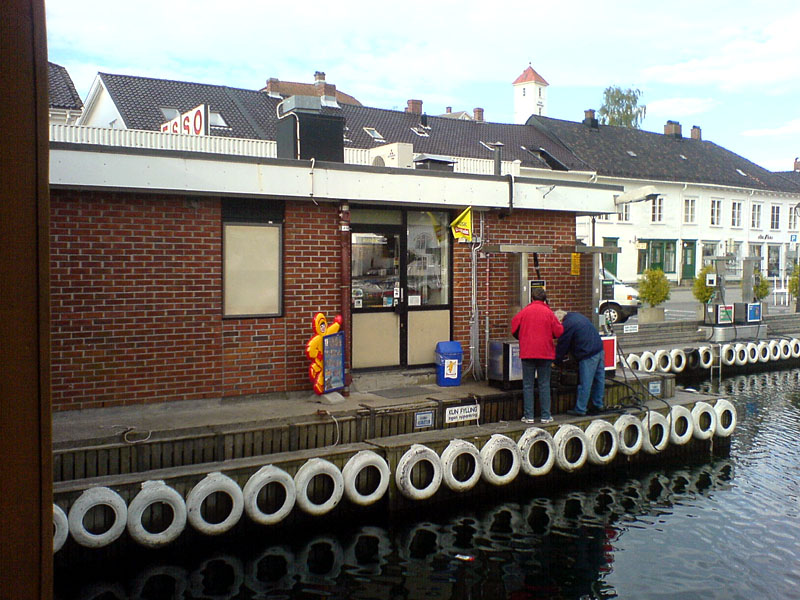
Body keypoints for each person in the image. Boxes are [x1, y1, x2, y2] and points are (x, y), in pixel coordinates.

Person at [511, 288, 564, 424]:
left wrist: (521, 337)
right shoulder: (549, 313)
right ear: (544, 299)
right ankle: (545, 416)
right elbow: (559, 331)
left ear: (532, 298)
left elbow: (514, 327)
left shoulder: (524, 312)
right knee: (544, 384)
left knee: (528, 385)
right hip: (545, 353)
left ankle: (529, 416)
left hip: (528, 352)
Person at [554, 310, 606, 416]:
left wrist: (556, 361)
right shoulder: (577, 316)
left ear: (559, 321)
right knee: (599, 379)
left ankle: (580, 409)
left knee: (585, 383)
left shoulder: (567, 325)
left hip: (588, 353)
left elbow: (563, 345)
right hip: (599, 349)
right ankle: (598, 404)